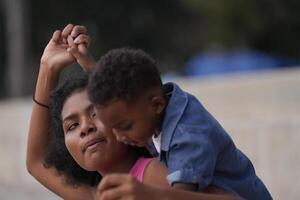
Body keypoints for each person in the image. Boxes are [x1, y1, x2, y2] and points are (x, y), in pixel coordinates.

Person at [26, 24, 239, 200]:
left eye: (95, 115)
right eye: (72, 126)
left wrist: (151, 194)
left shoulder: (151, 175)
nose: (86, 128)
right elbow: (36, 162)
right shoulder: (100, 195)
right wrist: (48, 68)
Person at [87, 47, 273, 199]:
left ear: (157, 104)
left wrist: (147, 193)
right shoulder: (156, 106)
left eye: (125, 126)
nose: (119, 137)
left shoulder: (187, 137)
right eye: (113, 128)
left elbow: (180, 196)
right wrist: (89, 65)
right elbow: (122, 94)